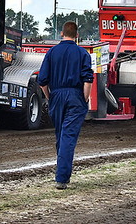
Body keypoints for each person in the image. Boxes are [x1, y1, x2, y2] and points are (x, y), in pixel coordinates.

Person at [38, 20, 94, 190]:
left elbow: (42, 80)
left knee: (61, 135)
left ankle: (62, 173)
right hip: (75, 95)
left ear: (61, 34)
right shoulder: (83, 53)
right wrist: (85, 98)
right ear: (77, 36)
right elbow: (87, 79)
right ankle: (62, 178)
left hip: (57, 95)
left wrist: (50, 97)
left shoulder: (52, 52)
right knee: (68, 136)